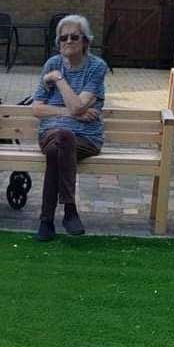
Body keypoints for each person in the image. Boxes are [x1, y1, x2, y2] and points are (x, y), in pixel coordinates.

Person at [32, 14, 108, 241]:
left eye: (74, 36)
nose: (68, 41)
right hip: (51, 133)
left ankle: (46, 220)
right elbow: (36, 108)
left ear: (86, 41)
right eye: (63, 37)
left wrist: (59, 80)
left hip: (87, 138)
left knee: (59, 148)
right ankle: (69, 210)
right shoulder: (52, 64)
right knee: (62, 138)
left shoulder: (96, 67)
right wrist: (68, 112)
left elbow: (77, 106)